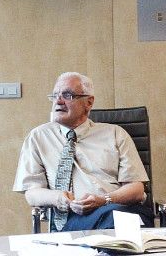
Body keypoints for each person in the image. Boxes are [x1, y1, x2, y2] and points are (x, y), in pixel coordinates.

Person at [13, 72, 151, 230]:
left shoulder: (115, 134)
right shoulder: (38, 137)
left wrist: (104, 200)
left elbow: (137, 189)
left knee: (117, 218)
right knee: (119, 230)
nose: (58, 101)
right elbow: (32, 193)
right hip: (74, 219)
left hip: (119, 210)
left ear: (89, 102)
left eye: (67, 95)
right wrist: (60, 198)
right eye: (55, 95)